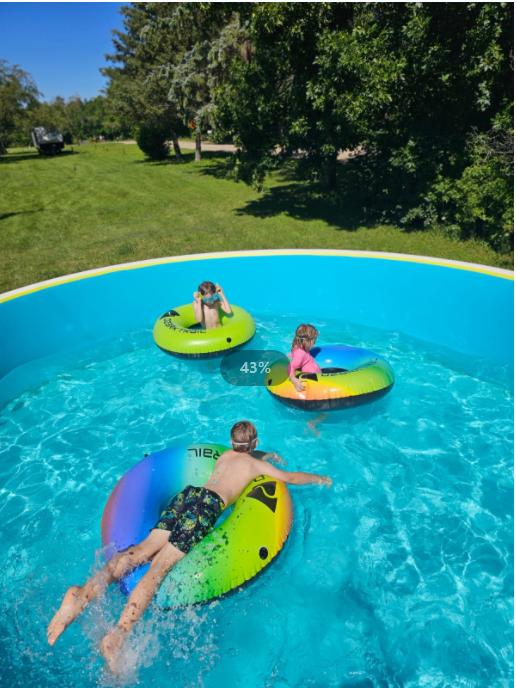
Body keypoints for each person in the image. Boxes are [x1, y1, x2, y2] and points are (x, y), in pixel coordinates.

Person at [46, 421, 331, 674]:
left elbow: (244, 454)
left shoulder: (225, 455)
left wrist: (262, 454)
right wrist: (319, 478)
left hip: (189, 496)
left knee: (141, 551)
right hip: (207, 507)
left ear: (231, 442)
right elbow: (291, 477)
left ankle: (82, 594)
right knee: (158, 570)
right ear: (255, 443)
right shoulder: (255, 465)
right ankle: (119, 633)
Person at [287, 324, 321, 393]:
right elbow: (290, 367)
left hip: (316, 377)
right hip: (313, 381)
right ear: (307, 341)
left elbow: (292, 356)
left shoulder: (297, 350)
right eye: (314, 341)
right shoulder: (301, 353)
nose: (315, 344)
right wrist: (294, 380)